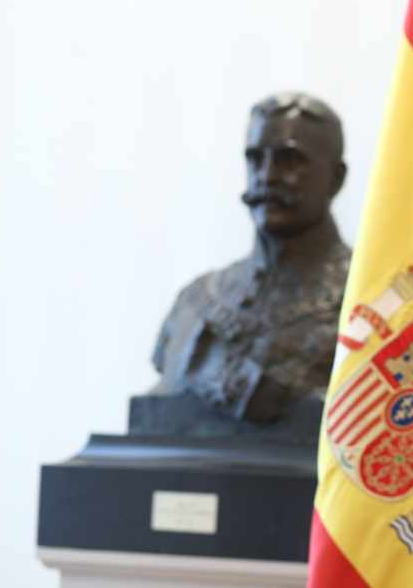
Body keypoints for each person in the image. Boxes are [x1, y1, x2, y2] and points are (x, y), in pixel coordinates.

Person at [151, 92, 353, 424]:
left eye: (290, 160)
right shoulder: (194, 301)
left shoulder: (371, 305)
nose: (268, 176)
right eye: (256, 159)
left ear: (336, 177)